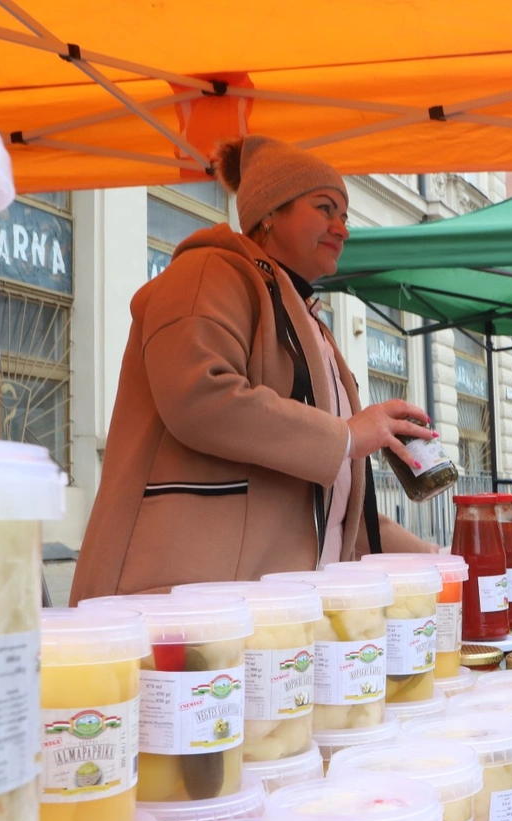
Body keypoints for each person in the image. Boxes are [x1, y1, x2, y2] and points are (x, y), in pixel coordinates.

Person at [70, 135, 434, 602]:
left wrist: (436, 557)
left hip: (260, 616)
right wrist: (346, 436)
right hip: (177, 607)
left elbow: (343, 510)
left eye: (343, 215)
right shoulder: (206, 272)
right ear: (269, 212)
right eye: (325, 209)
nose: (341, 229)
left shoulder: (312, 326)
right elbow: (200, 395)